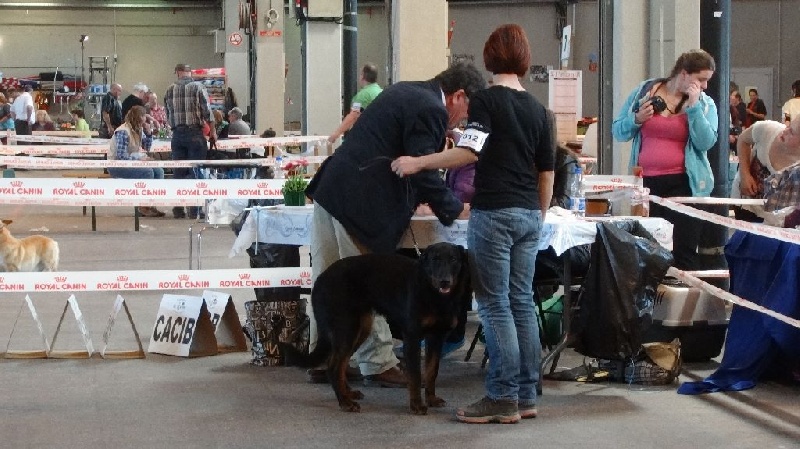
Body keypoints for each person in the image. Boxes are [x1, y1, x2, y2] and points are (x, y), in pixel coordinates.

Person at [305, 62, 485, 388]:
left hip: (332, 190)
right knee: (363, 284)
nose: (462, 120)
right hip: (361, 205)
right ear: (459, 96)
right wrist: (455, 208)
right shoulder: (431, 109)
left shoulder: (406, 89)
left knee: (329, 281)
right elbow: (423, 169)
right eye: (467, 110)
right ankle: (378, 363)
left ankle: (327, 359)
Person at [612, 48, 718, 270]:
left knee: (683, 251)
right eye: (701, 79)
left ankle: (682, 302)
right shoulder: (644, 92)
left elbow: (706, 143)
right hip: (646, 185)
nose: (705, 86)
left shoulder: (705, 104)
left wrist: (694, 108)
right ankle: (651, 302)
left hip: (685, 185)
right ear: (684, 74)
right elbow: (618, 132)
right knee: (647, 251)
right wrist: (637, 119)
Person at [164, 63, 216, 220]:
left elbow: (167, 113)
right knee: (196, 171)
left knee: (178, 172)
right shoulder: (198, 87)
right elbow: (207, 111)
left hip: (177, 135)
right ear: (189, 72)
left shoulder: (169, 89)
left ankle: (178, 208)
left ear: (177, 73)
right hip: (195, 134)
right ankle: (194, 210)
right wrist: (212, 132)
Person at [731, 119, 800, 221]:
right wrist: (745, 174)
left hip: (779, 216)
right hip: (745, 202)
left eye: (791, 132)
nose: (785, 131)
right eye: (788, 127)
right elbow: (743, 140)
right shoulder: (767, 129)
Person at [107, 105, 166, 218]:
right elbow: (121, 157)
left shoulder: (138, 129)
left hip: (131, 163)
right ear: (139, 118)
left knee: (159, 171)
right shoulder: (123, 131)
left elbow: (146, 148)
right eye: (144, 116)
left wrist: (149, 134)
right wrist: (139, 158)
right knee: (147, 172)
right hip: (116, 166)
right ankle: (142, 206)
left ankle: (151, 204)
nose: (146, 120)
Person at [327, 63, 383, 145]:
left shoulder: (363, 95)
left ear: (363, 76)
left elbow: (353, 116)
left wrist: (335, 134)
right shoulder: (380, 91)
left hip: (367, 138)